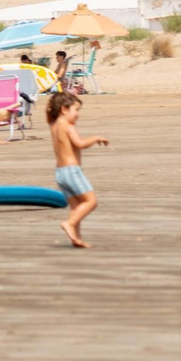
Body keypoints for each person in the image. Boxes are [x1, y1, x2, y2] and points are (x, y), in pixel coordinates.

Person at [49, 93, 108, 249]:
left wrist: (53, 103)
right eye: (76, 110)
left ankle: (76, 238)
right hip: (72, 172)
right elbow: (80, 144)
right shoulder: (68, 126)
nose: (78, 114)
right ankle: (69, 223)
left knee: (76, 208)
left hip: (60, 173)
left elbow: (49, 114)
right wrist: (96, 138)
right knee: (91, 201)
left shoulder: (54, 126)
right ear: (64, 109)